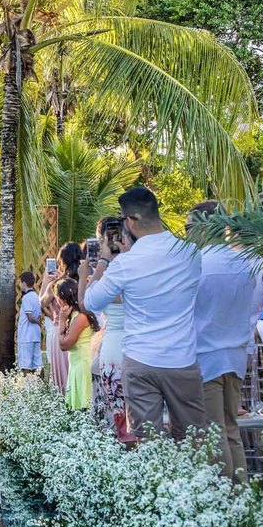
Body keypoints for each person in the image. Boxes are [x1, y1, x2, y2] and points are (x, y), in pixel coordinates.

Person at [84, 187, 206, 440]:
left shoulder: (127, 263)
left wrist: (106, 259)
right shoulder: (190, 253)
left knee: (148, 444)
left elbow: (91, 301)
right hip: (181, 358)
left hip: (140, 359)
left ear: (130, 220)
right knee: (192, 440)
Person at [188, 201, 262, 483]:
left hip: (206, 355)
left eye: (190, 227)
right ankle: (239, 489)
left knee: (214, 429)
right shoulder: (245, 263)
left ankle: (223, 493)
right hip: (236, 354)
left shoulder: (198, 265)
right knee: (230, 427)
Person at [83, 218, 133, 442]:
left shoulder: (108, 272)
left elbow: (88, 301)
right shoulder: (137, 263)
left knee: (119, 416)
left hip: (115, 346)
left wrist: (101, 262)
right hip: (137, 346)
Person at [41, 242, 81, 392]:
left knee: (62, 381)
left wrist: (48, 281)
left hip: (61, 330)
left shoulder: (59, 283)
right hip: (82, 330)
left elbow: (43, 301)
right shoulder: (83, 280)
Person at [56, 278, 98, 409]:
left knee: (84, 407)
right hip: (76, 362)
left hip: (83, 364)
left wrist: (61, 321)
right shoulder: (74, 315)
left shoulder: (80, 317)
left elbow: (64, 345)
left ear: (64, 298)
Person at [16, 271, 43, 373]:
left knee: (25, 364)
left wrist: (37, 322)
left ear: (24, 283)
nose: (19, 285)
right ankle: (41, 386)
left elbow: (30, 317)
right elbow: (39, 315)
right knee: (38, 363)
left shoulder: (26, 297)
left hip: (26, 336)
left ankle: (26, 387)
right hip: (35, 335)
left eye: (20, 282)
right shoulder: (36, 296)